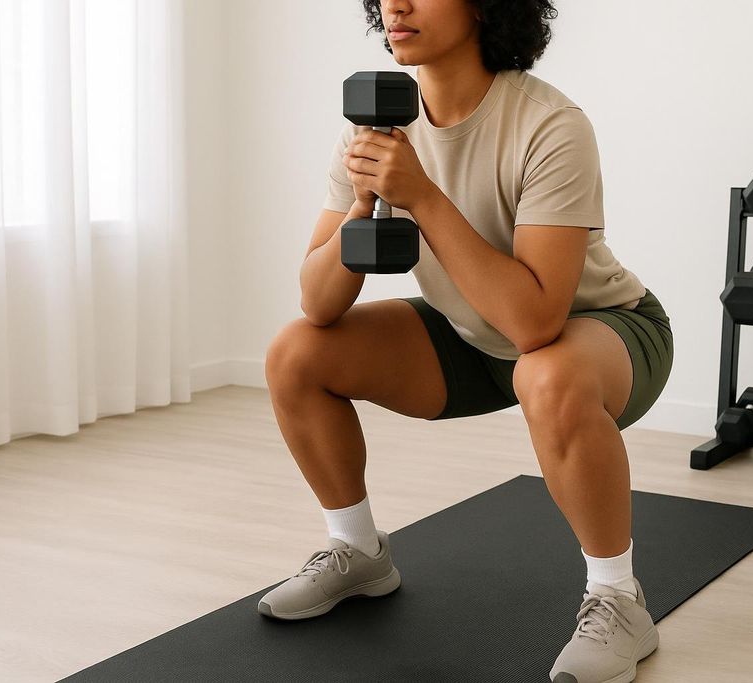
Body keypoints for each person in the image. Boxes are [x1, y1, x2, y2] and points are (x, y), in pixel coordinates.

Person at [259, 1, 673, 681]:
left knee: (545, 371)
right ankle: (357, 552)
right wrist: (363, 204)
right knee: (296, 351)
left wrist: (421, 195)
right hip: (473, 334)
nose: (395, 4)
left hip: (599, 330)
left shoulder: (549, 124)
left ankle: (618, 598)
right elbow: (317, 299)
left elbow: (538, 320)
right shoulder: (375, 131)